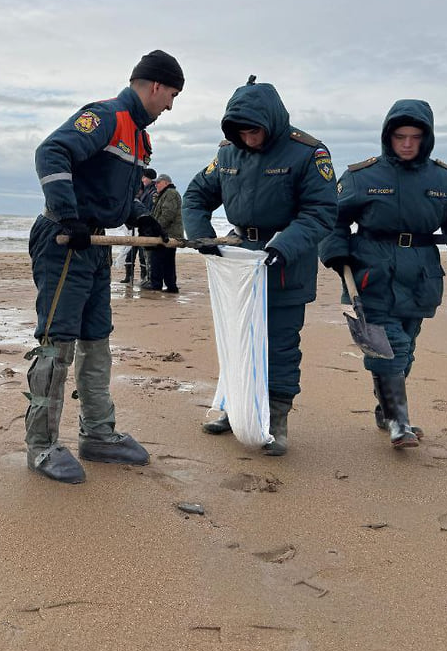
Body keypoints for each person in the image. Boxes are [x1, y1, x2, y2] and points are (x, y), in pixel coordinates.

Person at [25, 49, 182, 483]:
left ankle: (97, 434)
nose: (170, 105)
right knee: (57, 342)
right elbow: (51, 152)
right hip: (64, 240)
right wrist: (68, 213)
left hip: (96, 244)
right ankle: (41, 446)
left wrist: (139, 215)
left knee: (97, 339)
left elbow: (111, 196)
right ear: (154, 86)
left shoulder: (138, 137)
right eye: (171, 95)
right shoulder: (107, 117)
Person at [319, 99, 447, 447]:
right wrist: (335, 251)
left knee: (406, 348)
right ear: (388, 136)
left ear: (427, 138)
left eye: (415, 136)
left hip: (421, 276)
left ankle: (386, 408)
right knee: (389, 348)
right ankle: (400, 422)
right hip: (369, 274)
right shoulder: (361, 176)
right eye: (401, 136)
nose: (408, 143)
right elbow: (330, 217)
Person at [182, 76, 337, 456]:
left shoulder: (309, 153)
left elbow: (320, 213)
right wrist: (203, 236)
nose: (249, 138)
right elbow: (196, 196)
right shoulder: (227, 154)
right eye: (241, 132)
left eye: (254, 131)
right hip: (237, 262)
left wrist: (282, 246)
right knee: (237, 339)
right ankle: (235, 408)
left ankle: (276, 418)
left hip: (286, 261)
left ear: (270, 123)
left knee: (280, 345)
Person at [144, 173, 184, 292]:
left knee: (158, 259)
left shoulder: (170, 193)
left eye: (158, 182)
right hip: (168, 234)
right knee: (167, 262)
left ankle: (157, 284)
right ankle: (171, 286)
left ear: (166, 183)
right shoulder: (164, 194)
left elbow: (167, 214)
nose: (155, 184)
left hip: (167, 234)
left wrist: (155, 229)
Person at [120, 167, 157, 286]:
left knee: (142, 254)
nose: (143, 179)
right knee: (130, 252)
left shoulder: (152, 192)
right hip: (134, 227)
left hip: (143, 226)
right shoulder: (140, 189)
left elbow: (150, 209)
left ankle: (144, 276)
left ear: (149, 179)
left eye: (144, 177)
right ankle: (128, 276)